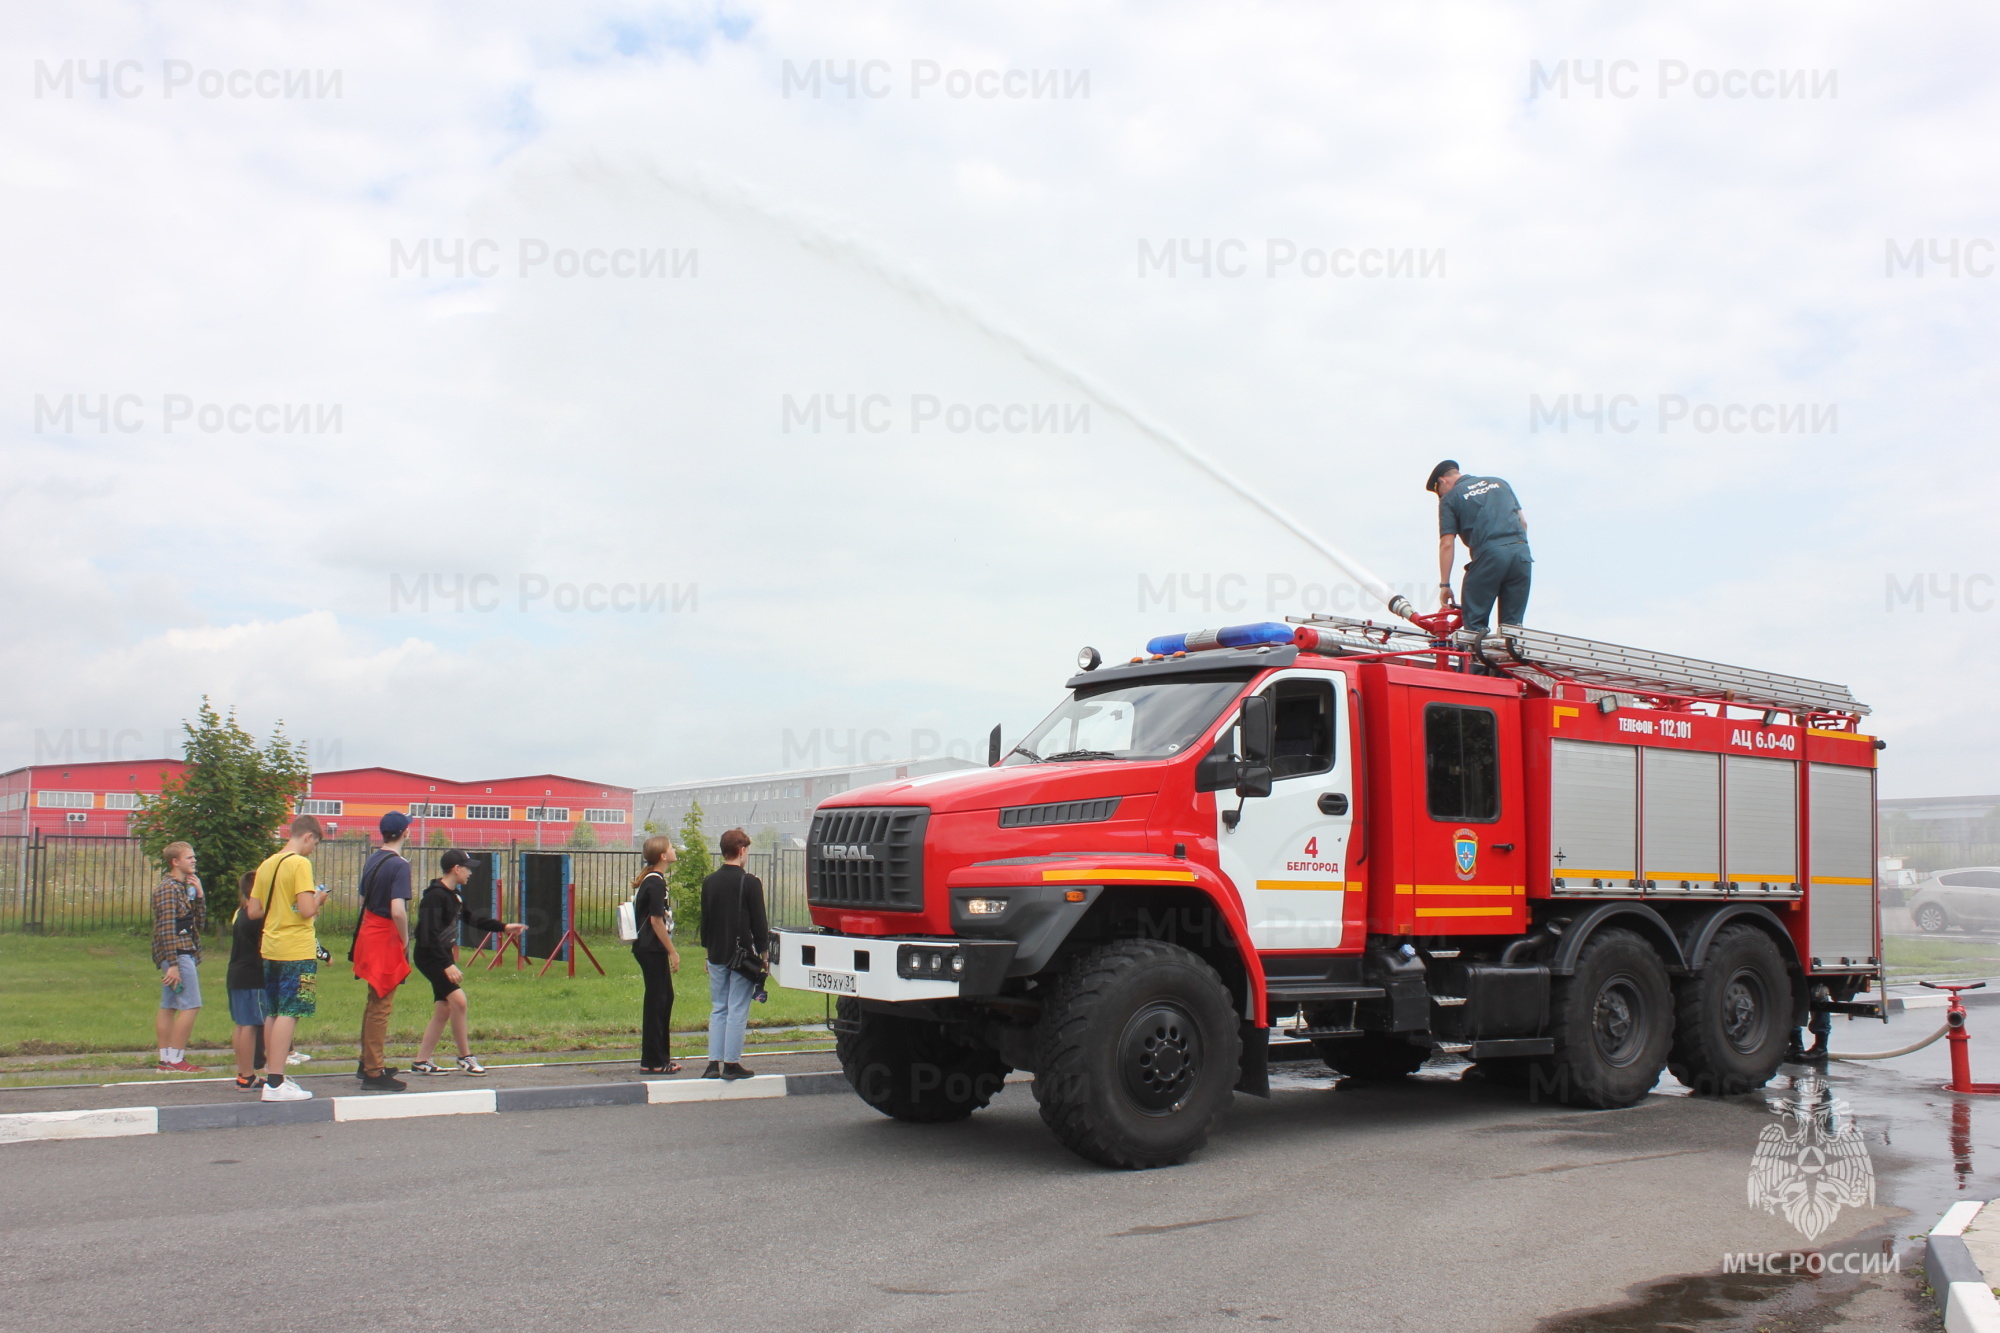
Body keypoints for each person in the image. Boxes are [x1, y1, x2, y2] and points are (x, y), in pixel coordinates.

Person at [408, 850, 522, 1076]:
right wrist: (446, 964)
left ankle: (421, 1061)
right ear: (456, 869)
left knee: (444, 1008)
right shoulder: (434, 896)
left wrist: (504, 927)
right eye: (467, 868)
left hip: (441, 954)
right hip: (430, 955)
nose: (470, 872)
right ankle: (465, 1057)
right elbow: (426, 935)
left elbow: (473, 918)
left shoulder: (455, 895)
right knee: (459, 1001)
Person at [244, 814, 328, 1102]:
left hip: (272, 945)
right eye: (314, 843)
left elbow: (254, 911)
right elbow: (306, 909)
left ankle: (272, 1072)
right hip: (297, 947)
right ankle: (276, 1083)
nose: (312, 849)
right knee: (291, 1011)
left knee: (274, 1010)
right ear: (308, 836)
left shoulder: (267, 863)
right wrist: (319, 899)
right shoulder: (299, 863)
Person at [1427, 459, 1533, 634]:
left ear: (1442, 481)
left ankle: (1475, 658)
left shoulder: (1450, 498)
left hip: (1490, 555)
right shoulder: (1500, 482)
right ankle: (1509, 655)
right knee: (1512, 629)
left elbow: (1447, 544)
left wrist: (1444, 584)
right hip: (1521, 554)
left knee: (1474, 624)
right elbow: (1523, 522)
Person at [351, 812, 416, 1092]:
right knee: (382, 1004)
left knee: (372, 1001)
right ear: (404, 833)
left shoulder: (373, 859)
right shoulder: (400, 865)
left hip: (368, 931)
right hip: (385, 936)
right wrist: (404, 940)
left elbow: (362, 899)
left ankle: (367, 1061)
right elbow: (398, 910)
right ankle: (374, 1072)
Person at [700, 828, 768, 1081]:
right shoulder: (749, 882)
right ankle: (732, 1063)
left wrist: (707, 953)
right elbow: (759, 923)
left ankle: (712, 1063)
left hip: (716, 953)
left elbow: (705, 921)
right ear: (741, 851)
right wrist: (764, 954)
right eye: (747, 850)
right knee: (737, 1008)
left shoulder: (710, 881)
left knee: (718, 1008)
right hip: (741, 956)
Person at [150, 841, 206, 1073]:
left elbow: (198, 924)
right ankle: (176, 1059)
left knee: (170, 1005)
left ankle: (166, 1060)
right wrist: (172, 964)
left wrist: (200, 895)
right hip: (178, 954)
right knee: (191, 1005)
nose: (193, 860)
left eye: (193, 857)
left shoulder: (183, 887)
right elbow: (165, 928)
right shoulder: (167, 889)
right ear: (175, 862)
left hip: (184, 951)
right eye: (189, 857)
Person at [630, 836, 683, 1075]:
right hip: (652, 949)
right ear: (662, 855)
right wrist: (672, 951)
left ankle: (658, 1058)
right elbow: (656, 920)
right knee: (658, 1002)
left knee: (662, 999)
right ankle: (654, 1060)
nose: (673, 850)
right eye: (670, 847)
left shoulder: (653, 880)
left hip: (648, 948)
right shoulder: (656, 883)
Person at [226, 872, 270, 1092]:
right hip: (252, 975)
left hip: (236, 973)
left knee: (242, 1024)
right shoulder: (257, 918)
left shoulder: (241, 914)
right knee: (251, 1026)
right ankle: (247, 1073)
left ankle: (244, 1073)